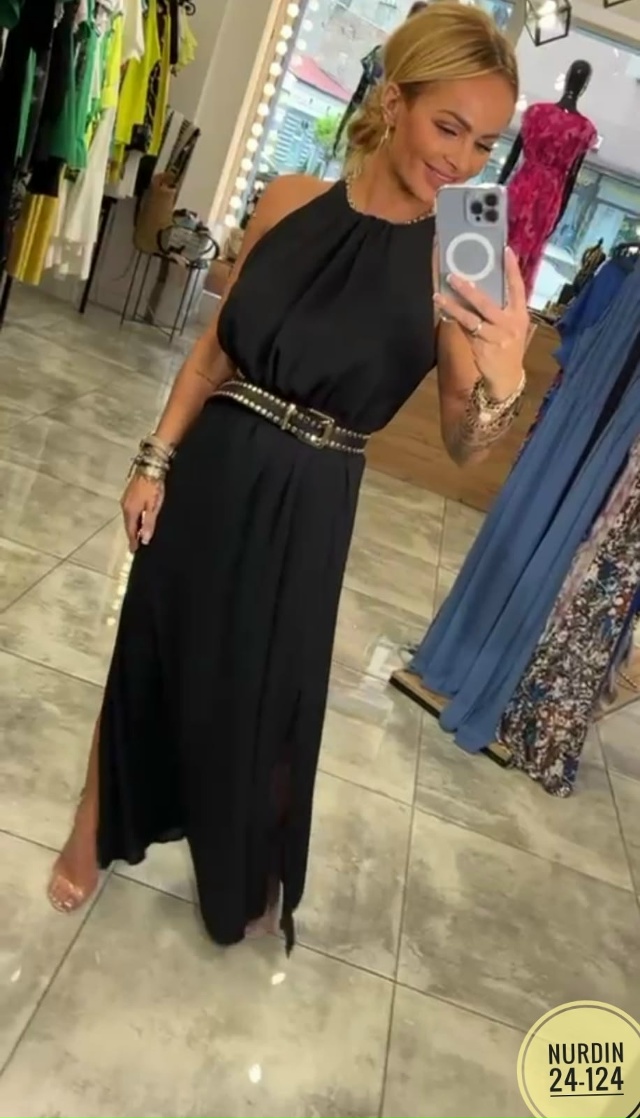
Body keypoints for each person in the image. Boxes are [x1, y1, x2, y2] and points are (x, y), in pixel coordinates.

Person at [48, 2, 529, 950]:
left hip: (314, 496)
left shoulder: (461, 248)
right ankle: (93, 826)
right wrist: (154, 460)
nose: (464, 161)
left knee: (271, 691)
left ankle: (245, 863)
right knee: (151, 648)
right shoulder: (289, 201)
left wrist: (503, 378)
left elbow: (464, 443)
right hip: (216, 466)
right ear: (393, 102)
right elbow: (212, 356)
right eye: (448, 127)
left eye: (485, 143)